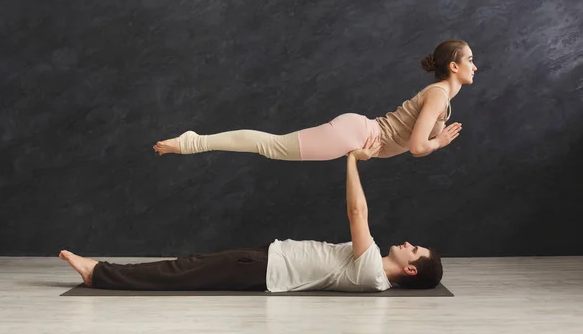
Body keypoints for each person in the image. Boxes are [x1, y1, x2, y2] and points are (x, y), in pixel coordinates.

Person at [60, 138, 443, 292]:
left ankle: (99, 273)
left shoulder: (373, 271)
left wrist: (351, 160)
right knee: (191, 267)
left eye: (414, 250)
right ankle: (103, 273)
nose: (409, 244)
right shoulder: (374, 273)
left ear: (410, 269)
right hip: (270, 259)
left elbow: (357, 211)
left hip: (266, 268)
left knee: (185, 270)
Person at [153, 39, 476, 161]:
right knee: (272, 146)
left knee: (272, 146)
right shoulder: (438, 95)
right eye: (470, 59)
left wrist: (365, 155)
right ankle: (194, 142)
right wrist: (439, 143)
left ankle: (194, 142)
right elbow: (419, 147)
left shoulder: (441, 97)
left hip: (359, 134)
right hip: (357, 132)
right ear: (453, 66)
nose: (474, 66)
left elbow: (408, 143)